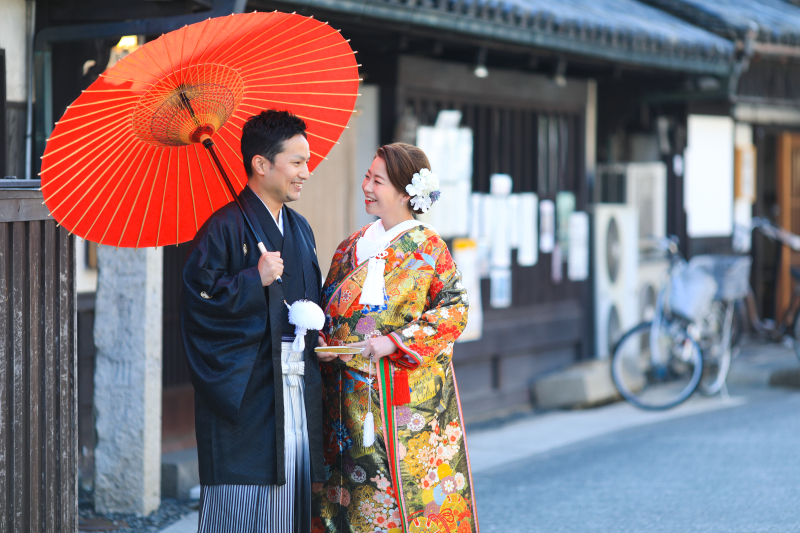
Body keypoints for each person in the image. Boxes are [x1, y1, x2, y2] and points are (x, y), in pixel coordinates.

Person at [181, 109, 337, 533]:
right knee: (242, 505)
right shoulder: (222, 228)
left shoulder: (300, 228)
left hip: (295, 382)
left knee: (291, 502)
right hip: (247, 392)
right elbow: (198, 303)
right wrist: (254, 279)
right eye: (298, 162)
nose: (306, 172)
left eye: (307, 161)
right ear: (261, 164)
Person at [313, 143, 479, 533]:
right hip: (345, 395)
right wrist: (323, 340)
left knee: (398, 496)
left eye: (378, 181)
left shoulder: (428, 248)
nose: (367, 187)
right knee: (347, 495)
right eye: (367, 177)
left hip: (400, 399)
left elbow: (455, 309)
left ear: (406, 193)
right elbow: (330, 306)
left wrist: (395, 341)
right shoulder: (351, 246)